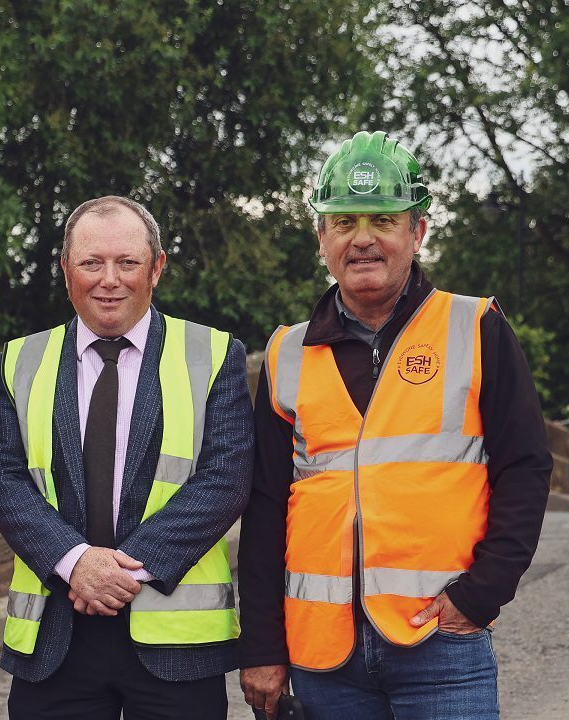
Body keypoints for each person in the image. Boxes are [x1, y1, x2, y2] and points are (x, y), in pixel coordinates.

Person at [237, 131, 553, 720]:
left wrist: (483, 593)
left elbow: (526, 467)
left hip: (440, 643)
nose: (362, 239)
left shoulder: (475, 327)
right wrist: (261, 646)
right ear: (322, 238)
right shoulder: (286, 354)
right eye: (343, 222)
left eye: (382, 220)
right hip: (322, 655)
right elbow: (264, 506)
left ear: (418, 231)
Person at [0, 195, 254, 720]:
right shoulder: (18, 360)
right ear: (66, 269)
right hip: (55, 636)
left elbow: (226, 478)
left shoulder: (215, 353)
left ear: (156, 268)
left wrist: (122, 572)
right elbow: (3, 478)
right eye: (91, 263)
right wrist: (76, 563)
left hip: (176, 640)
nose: (109, 280)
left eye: (127, 262)